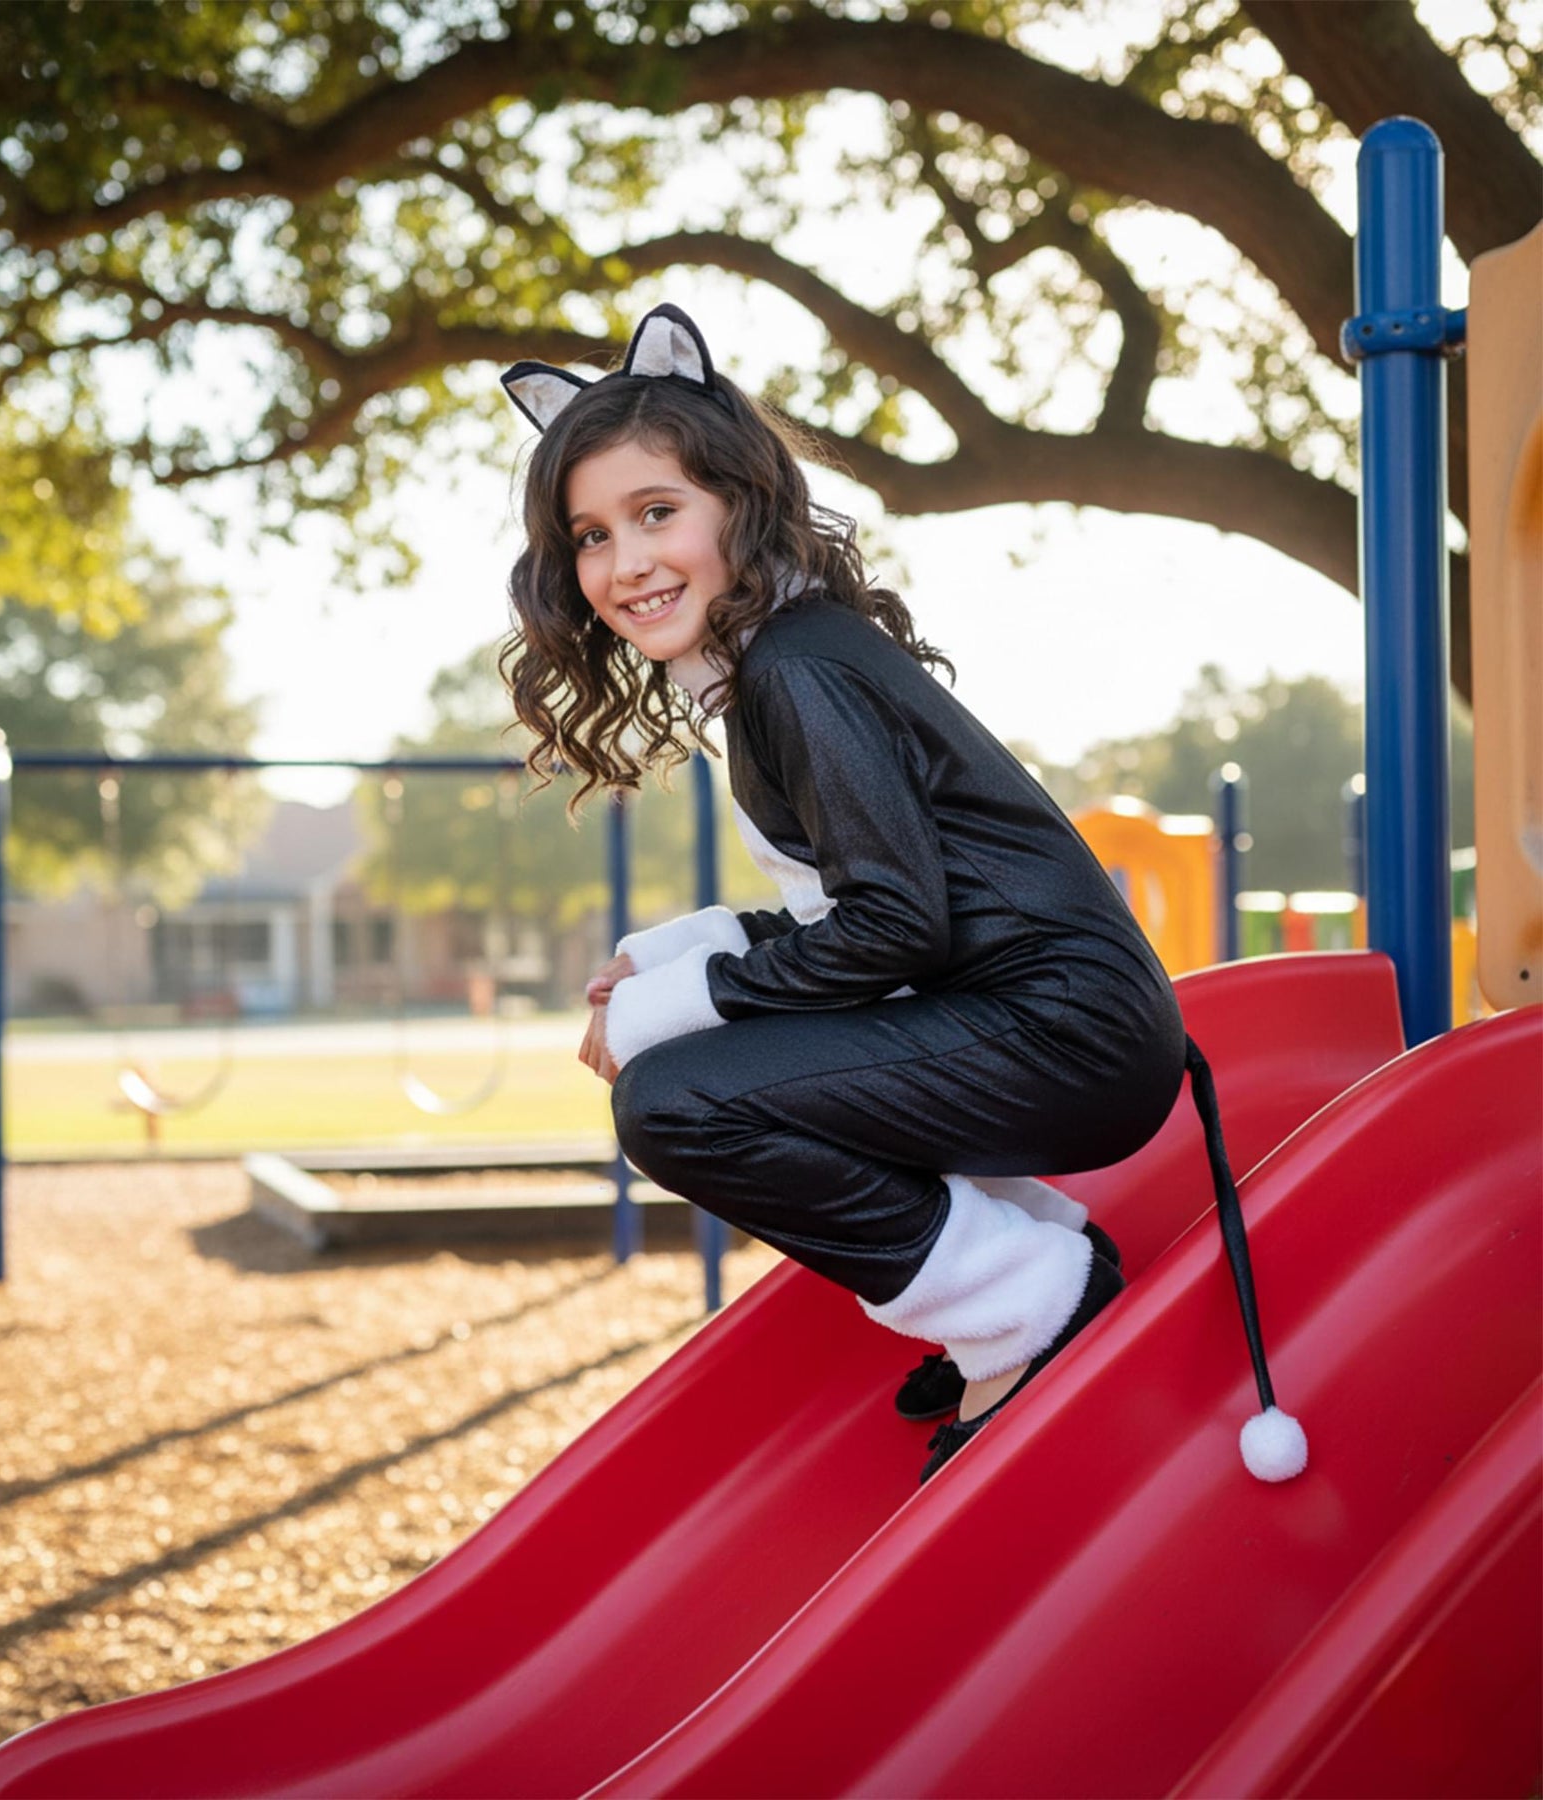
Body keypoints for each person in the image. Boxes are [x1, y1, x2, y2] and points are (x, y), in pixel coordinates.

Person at [499, 304, 1306, 1485]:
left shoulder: (796, 670)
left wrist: (678, 1006)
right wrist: (682, 961)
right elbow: (874, 908)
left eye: (656, 512)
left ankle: (1025, 1304)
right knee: (696, 1068)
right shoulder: (777, 662)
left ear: (739, 500)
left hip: (1064, 1033)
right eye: (590, 535)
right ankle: (1033, 1249)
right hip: (1055, 1023)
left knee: (673, 1104)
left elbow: (893, 928)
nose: (623, 564)